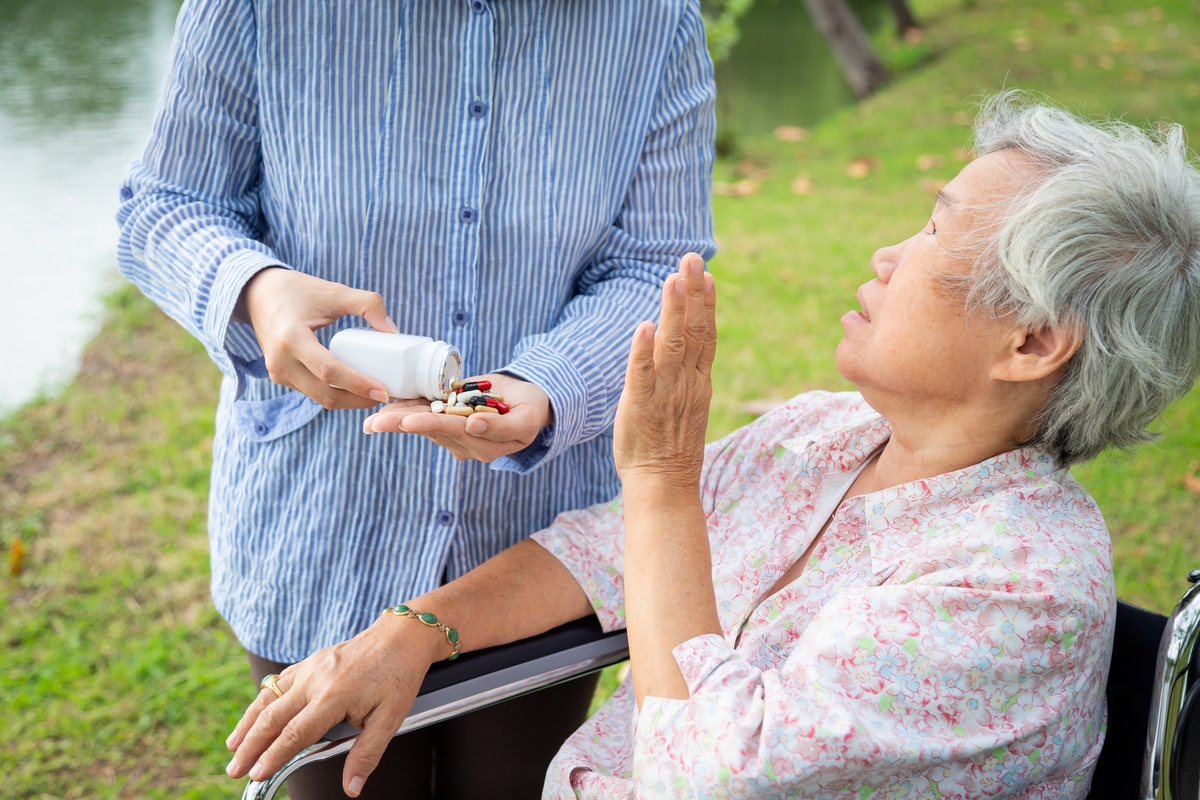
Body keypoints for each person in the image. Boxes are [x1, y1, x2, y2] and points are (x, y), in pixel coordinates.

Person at [225, 93, 1200, 798]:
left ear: (1031, 342)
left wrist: (662, 481)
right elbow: (601, 552)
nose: (887, 254)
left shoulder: (1018, 589)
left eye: (937, 234)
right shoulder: (828, 434)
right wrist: (408, 632)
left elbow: (710, 775)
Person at [115, 1, 715, 797]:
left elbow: (656, 266)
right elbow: (164, 203)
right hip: (318, 530)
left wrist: (548, 386)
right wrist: (255, 289)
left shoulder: (654, 22)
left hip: (536, 545)